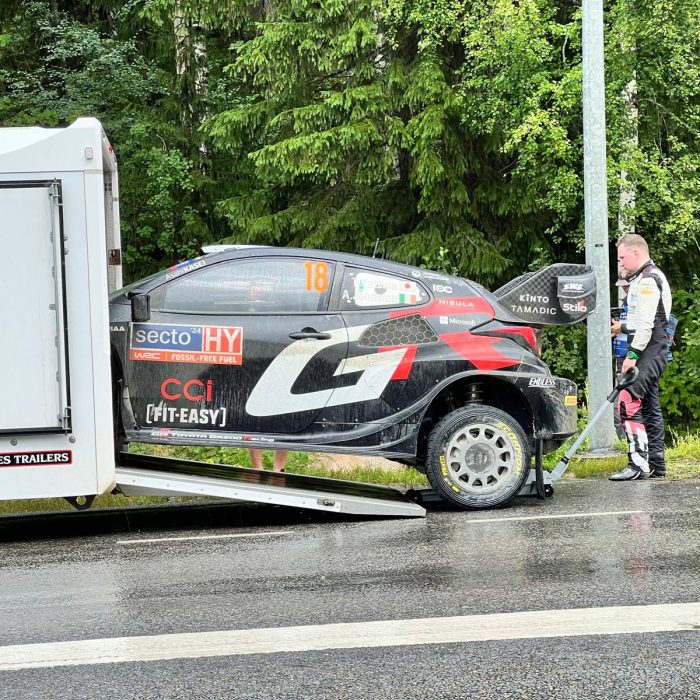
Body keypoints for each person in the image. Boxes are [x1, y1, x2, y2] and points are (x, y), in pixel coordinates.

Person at [609, 234, 672, 480]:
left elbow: (645, 325)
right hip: (653, 347)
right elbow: (638, 321)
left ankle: (638, 464)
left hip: (649, 348)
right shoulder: (644, 277)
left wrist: (632, 355)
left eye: (622, 257)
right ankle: (656, 463)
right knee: (649, 405)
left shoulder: (648, 280)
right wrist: (623, 330)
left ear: (636, 253)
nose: (621, 263)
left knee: (627, 400)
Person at [612, 273, 630, 441]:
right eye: (622, 285)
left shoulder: (643, 299)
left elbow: (646, 325)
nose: (624, 288)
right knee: (619, 400)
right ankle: (623, 439)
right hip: (621, 354)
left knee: (626, 399)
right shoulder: (625, 301)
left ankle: (627, 439)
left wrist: (621, 327)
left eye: (626, 284)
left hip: (635, 355)